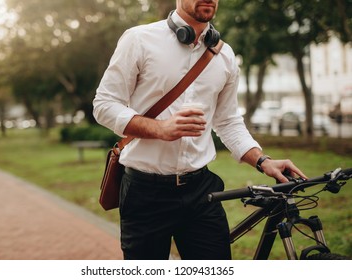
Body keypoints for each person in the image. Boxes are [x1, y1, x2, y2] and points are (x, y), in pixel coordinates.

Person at [93, 0, 306, 260]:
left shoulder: (225, 55)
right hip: (145, 191)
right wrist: (161, 128)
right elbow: (104, 105)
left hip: (201, 191)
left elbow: (228, 121)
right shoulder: (139, 39)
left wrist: (262, 161)